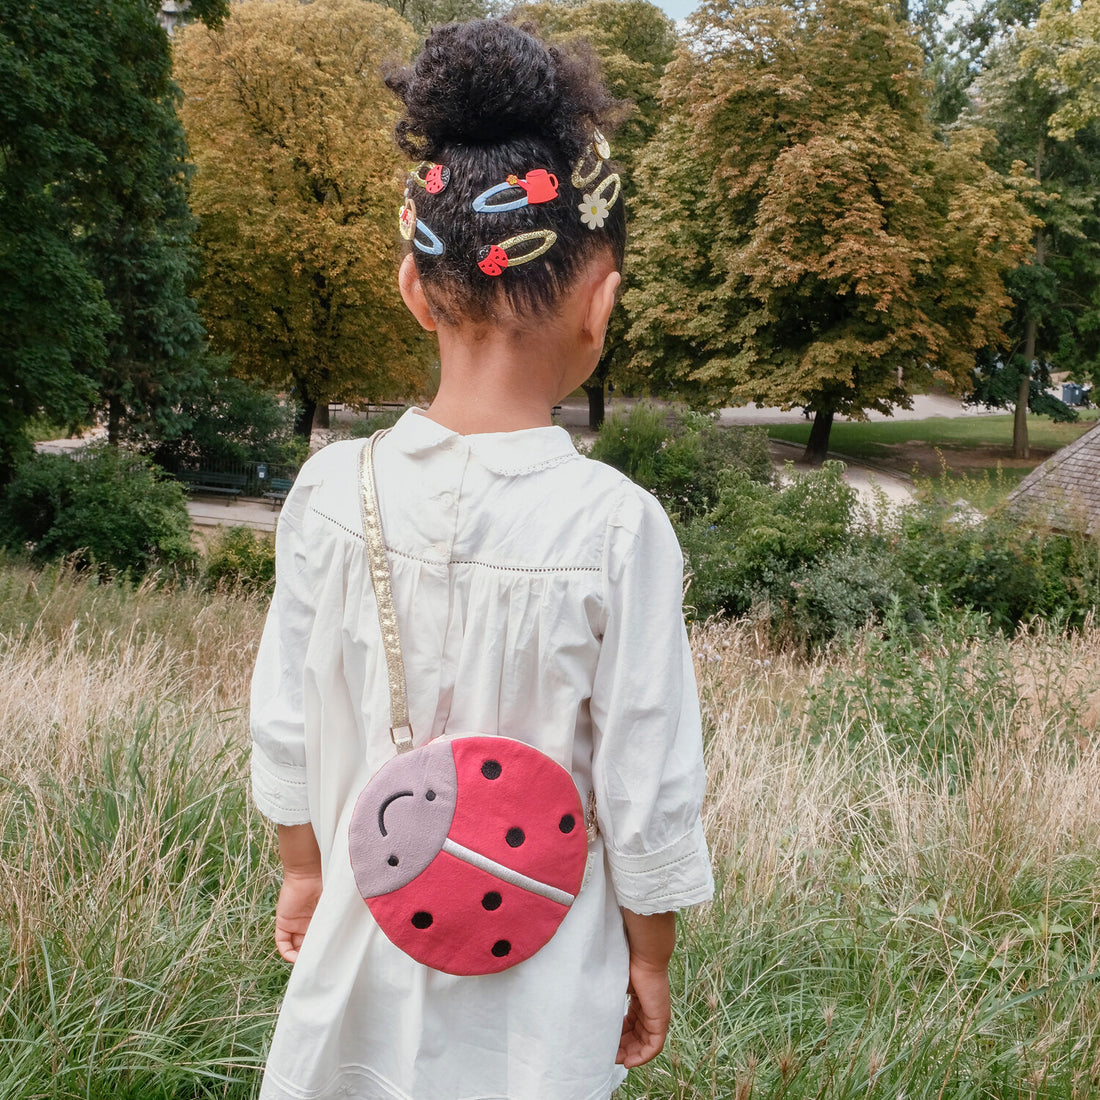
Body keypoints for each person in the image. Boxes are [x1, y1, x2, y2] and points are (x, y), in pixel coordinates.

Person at [249, 19, 713, 1100]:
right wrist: (649, 952)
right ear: (601, 305)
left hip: (368, 924)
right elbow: (646, 779)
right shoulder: (617, 527)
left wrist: (304, 866)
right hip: (538, 978)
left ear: (414, 288)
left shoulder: (330, 490)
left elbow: (283, 717)